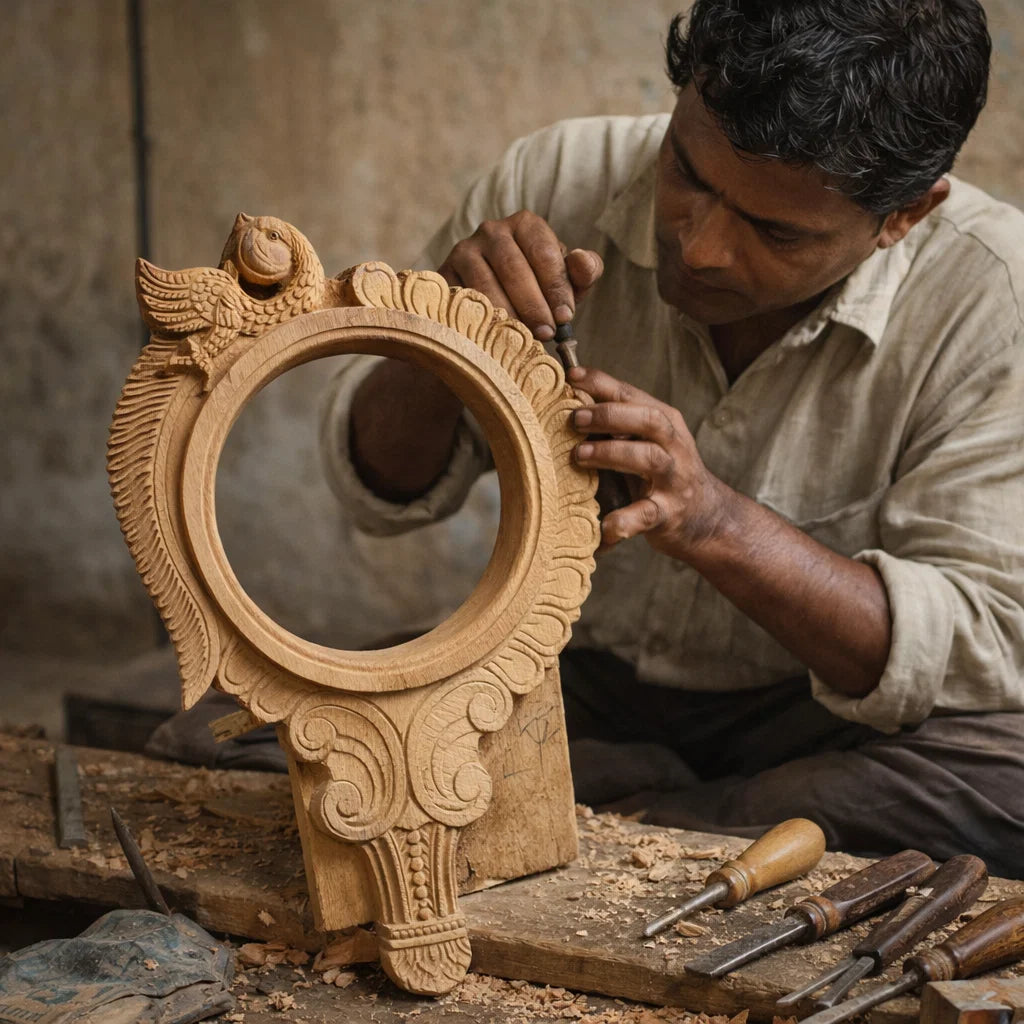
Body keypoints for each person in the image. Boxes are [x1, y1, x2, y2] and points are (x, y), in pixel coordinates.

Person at [321, 0, 1024, 877]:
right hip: (571, 678)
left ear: (903, 216)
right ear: (688, 96)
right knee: (262, 738)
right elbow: (378, 492)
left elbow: (982, 643)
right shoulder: (556, 177)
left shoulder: (993, 294)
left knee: (1012, 781)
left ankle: (636, 817)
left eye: (775, 232)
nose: (699, 249)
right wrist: (436, 339)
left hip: (824, 723)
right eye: (688, 172)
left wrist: (715, 524)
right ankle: (680, 820)